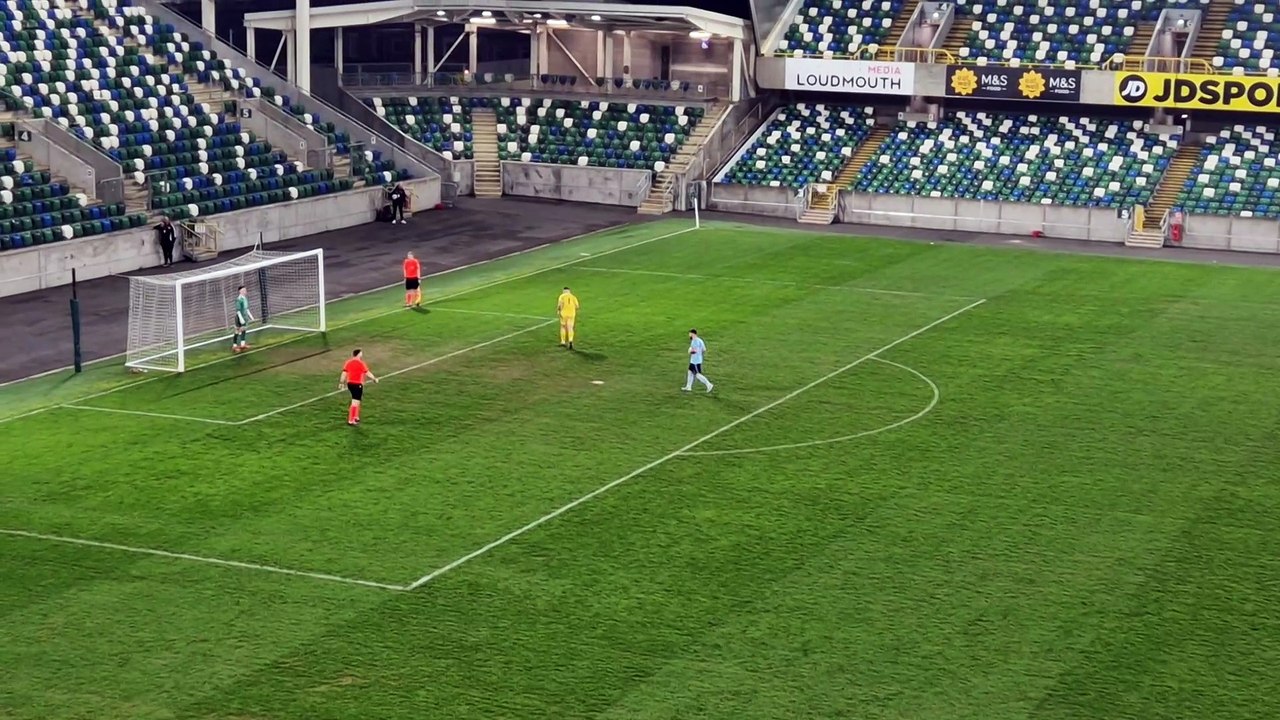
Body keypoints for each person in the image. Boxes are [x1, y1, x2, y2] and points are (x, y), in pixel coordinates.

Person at [338, 348, 379, 426]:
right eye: (361, 353)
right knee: (355, 402)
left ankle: (356, 416)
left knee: (357, 401)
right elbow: (367, 373)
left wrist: (341, 382)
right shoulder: (361, 363)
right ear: (359, 354)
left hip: (350, 383)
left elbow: (344, 373)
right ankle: (351, 420)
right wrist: (374, 379)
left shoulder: (348, 362)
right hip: (357, 384)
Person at [683, 328, 713, 393]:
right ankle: (688, 387)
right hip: (696, 360)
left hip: (695, 361)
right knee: (690, 372)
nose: (689, 335)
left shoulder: (695, 341)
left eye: (690, 334)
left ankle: (709, 384)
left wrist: (690, 351)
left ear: (692, 334)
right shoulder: (700, 340)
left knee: (697, 375)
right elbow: (704, 349)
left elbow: (694, 351)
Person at [231, 285, 252, 353]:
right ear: (240, 291)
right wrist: (241, 318)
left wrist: (250, 315)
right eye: (243, 290)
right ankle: (234, 345)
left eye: (245, 290)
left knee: (243, 330)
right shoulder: (239, 299)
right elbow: (238, 310)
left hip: (245, 316)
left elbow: (246, 308)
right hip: (239, 317)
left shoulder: (245, 298)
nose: (244, 291)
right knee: (237, 331)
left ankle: (242, 344)